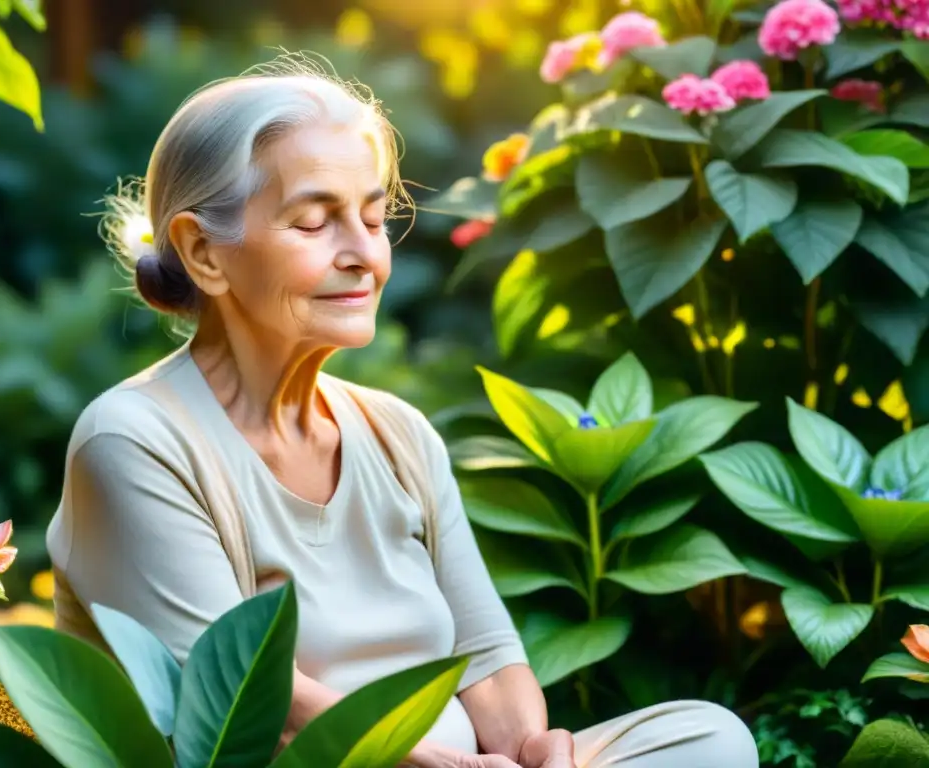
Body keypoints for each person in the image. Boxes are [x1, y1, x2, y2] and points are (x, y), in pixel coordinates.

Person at [46, 57, 760, 768]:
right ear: (204, 252)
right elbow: (239, 701)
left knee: (710, 737)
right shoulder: (134, 440)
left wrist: (535, 752)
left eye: (372, 216)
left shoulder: (398, 433)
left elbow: (487, 660)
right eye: (316, 222)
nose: (364, 254)